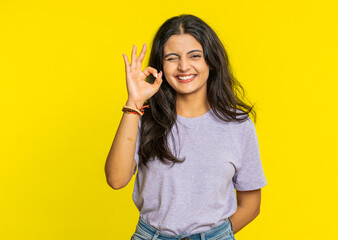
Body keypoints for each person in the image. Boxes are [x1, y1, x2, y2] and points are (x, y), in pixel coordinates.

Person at [105, 14, 268, 240]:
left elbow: (251, 205)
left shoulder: (238, 125)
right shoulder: (143, 118)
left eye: (194, 56)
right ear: (160, 66)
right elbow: (116, 179)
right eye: (172, 58)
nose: (183, 66)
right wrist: (134, 102)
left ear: (210, 60)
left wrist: (215, 236)